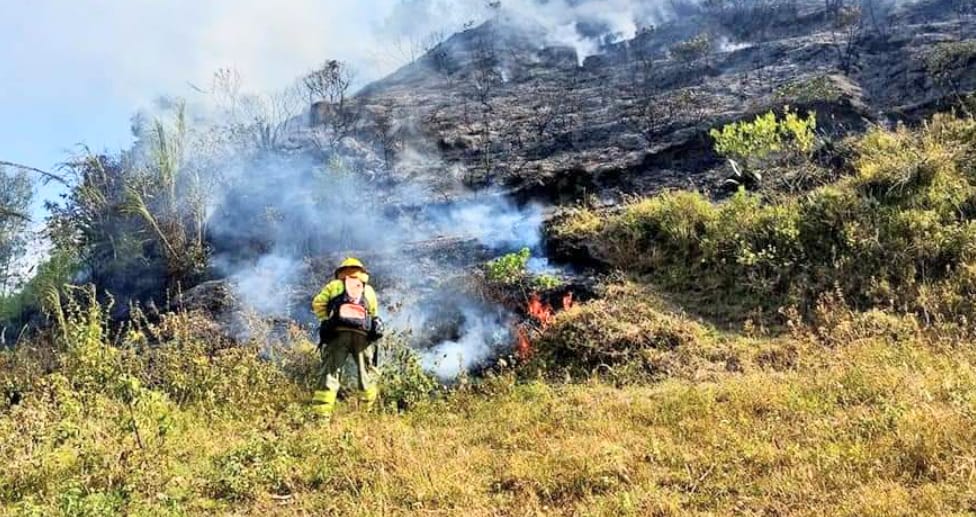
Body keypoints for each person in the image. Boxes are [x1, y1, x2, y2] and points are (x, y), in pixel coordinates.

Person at [310, 257, 384, 420]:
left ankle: (321, 417)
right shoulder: (368, 290)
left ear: (341, 272)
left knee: (330, 373)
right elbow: (373, 314)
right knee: (366, 373)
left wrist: (326, 320)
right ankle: (365, 413)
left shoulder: (334, 286)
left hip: (338, 334)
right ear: (361, 273)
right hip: (362, 337)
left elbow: (317, 303)